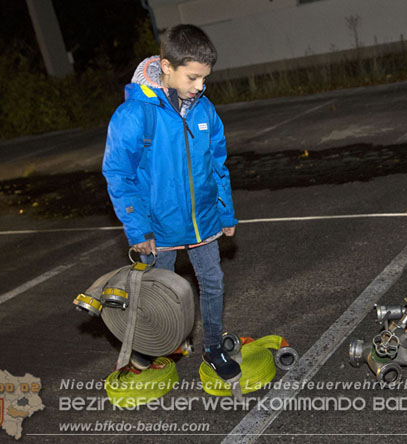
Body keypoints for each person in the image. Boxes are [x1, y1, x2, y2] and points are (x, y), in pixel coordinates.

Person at [102, 24, 240, 382]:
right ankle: (153, 346)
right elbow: (119, 174)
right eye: (193, 77)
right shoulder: (135, 114)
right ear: (166, 66)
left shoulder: (205, 110)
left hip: (204, 220)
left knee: (212, 284)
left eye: (205, 79)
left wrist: (225, 211)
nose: (200, 86)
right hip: (158, 227)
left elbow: (217, 164)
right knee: (157, 296)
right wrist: (136, 228)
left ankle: (212, 346)